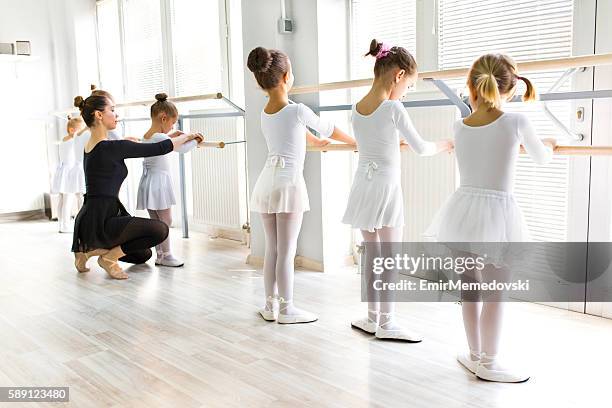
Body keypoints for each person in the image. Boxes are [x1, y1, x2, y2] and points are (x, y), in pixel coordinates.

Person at [247, 46, 356, 324]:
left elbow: (291, 133)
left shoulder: (266, 111)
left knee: (272, 249)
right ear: (285, 77)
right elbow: (327, 127)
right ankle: (287, 309)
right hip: (287, 185)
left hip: (266, 183)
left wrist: (314, 142)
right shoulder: (298, 110)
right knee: (287, 250)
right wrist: (355, 142)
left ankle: (270, 305)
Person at [71, 91, 201, 279]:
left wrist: (130, 142)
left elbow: (117, 151)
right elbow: (159, 148)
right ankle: (108, 258)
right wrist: (189, 136)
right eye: (112, 110)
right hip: (102, 219)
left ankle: (88, 252)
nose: (117, 115)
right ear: (99, 115)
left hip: (89, 217)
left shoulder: (92, 146)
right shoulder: (113, 147)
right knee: (161, 229)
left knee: (143, 254)